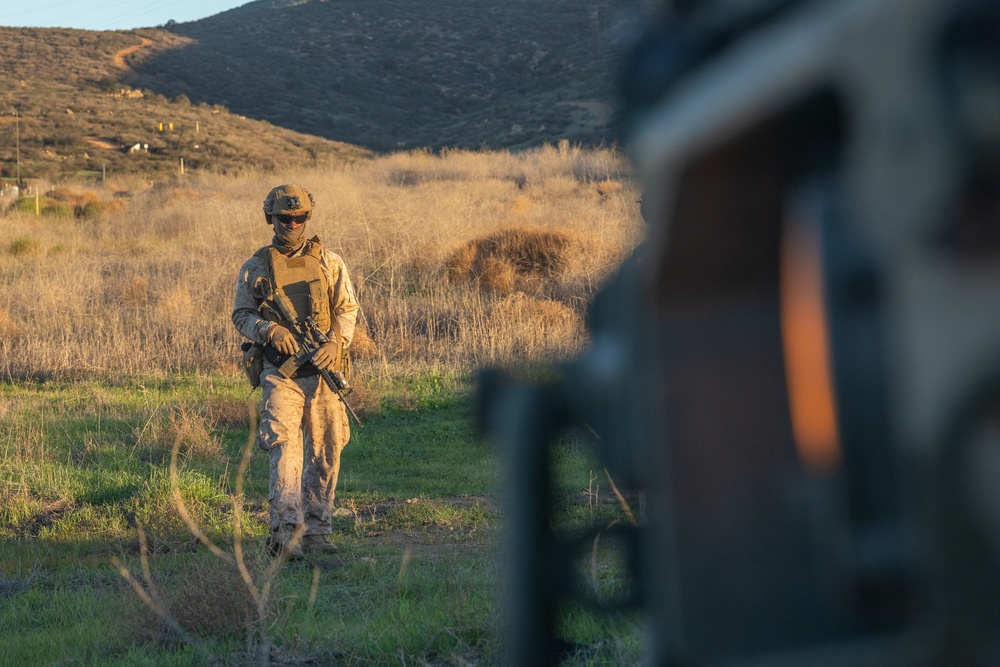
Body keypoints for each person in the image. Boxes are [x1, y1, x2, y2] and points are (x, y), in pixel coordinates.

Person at [232, 184, 360, 559]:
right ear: (270, 217)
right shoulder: (256, 266)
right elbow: (242, 314)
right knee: (285, 450)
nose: (292, 223)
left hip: (322, 372)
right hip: (280, 371)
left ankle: (318, 530)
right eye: (285, 217)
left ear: (308, 217)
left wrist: (337, 344)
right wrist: (270, 330)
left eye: (299, 217)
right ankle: (285, 534)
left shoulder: (330, 262)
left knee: (326, 450)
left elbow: (346, 310)